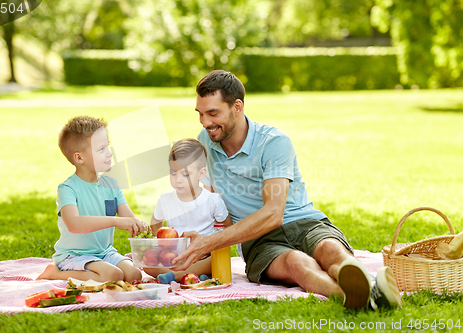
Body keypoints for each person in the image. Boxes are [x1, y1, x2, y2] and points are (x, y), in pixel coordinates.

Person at [171, 70, 402, 310]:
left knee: (331, 250)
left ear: (237, 107)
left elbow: (273, 213)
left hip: (304, 222)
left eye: (213, 113)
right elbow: (209, 203)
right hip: (259, 241)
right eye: (200, 114)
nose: (205, 122)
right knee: (296, 263)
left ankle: (366, 283)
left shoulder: (273, 142)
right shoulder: (206, 141)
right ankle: (363, 296)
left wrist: (210, 242)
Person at [37, 116, 147, 283]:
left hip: (104, 252)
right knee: (112, 276)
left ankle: (101, 268)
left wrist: (142, 226)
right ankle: (55, 273)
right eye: (101, 149)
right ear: (79, 158)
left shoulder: (112, 184)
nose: (109, 153)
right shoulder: (67, 188)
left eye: (108, 146)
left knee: (134, 275)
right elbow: (74, 224)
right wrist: (115, 221)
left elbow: (129, 218)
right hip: (74, 255)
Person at [145, 138, 232, 283]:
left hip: (204, 255)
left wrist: (210, 242)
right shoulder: (165, 199)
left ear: (201, 174)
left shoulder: (213, 200)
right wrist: (164, 243)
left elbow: (227, 227)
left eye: (185, 175)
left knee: (216, 259)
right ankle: (200, 275)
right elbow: (155, 222)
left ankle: (176, 276)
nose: (178, 179)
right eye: (173, 173)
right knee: (148, 264)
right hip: (175, 256)